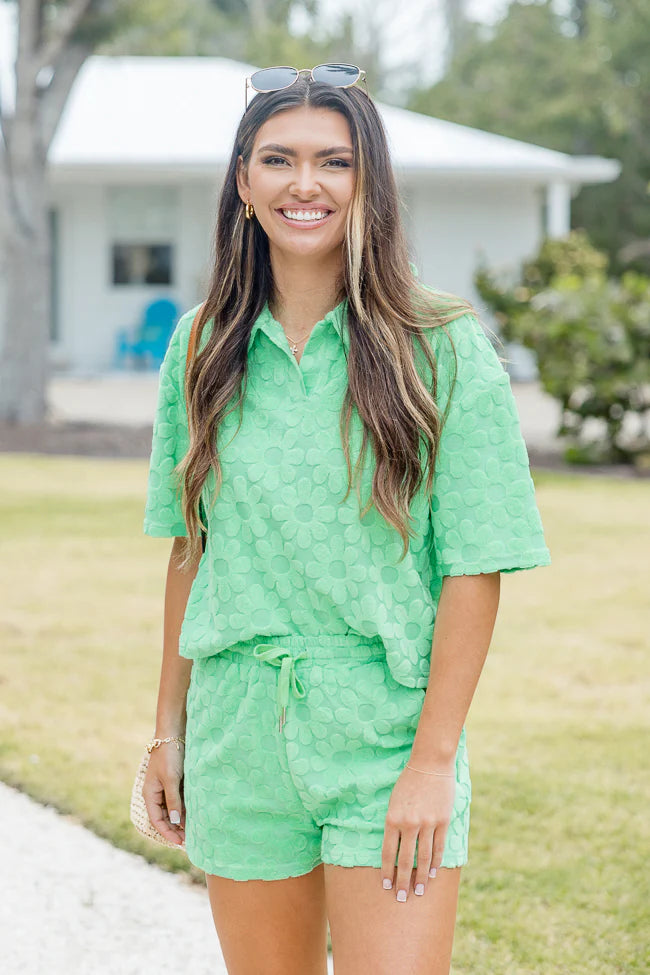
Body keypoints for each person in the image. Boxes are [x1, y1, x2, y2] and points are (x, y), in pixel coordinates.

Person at [141, 63, 551, 975]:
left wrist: (433, 759)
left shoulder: (441, 346)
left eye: (334, 161)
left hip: (384, 734)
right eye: (278, 160)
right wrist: (168, 730)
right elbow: (189, 546)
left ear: (369, 181)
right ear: (244, 184)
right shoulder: (201, 345)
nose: (305, 184)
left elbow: (475, 567)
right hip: (237, 731)